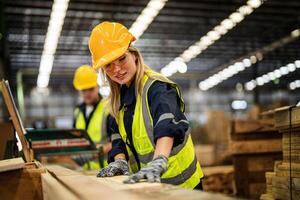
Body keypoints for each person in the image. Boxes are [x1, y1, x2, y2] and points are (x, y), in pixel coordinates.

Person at [88, 21, 204, 189]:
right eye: (109, 65)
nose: (117, 69)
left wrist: (159, 161)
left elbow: (167, 124)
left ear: (134, 55)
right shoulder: (118, 99)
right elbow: (117, 136)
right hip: (150, 187)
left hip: (183, 186)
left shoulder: (156, 88)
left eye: (122, 58)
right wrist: (120, 161)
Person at [73, 65, 111, 169]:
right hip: (85, 171)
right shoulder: (77, 112)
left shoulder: (108, 108)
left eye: (90, 89)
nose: (87, 93)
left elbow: (117, 142)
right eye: (83, 90)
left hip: (106, 170)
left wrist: (95, 153)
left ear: (97, 86)